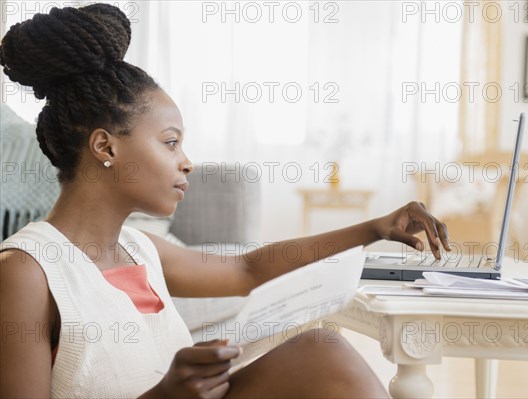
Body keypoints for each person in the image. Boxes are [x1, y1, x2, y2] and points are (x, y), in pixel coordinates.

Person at [0, 4, 450, 399]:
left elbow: (247, 270)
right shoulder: (26, 272)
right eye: (170, 142)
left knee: (321, 349)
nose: (187, 162)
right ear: (106, 148)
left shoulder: (141, 249)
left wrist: (374, 229)